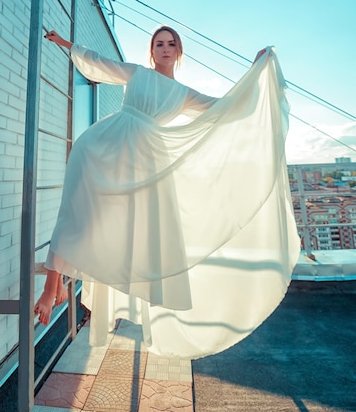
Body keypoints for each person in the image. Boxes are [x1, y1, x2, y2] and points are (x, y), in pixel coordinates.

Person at [34, 26, 300, 359]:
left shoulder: (183, 93)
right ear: (151, 50)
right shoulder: (139, 74)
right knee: (75, 213)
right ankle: (51, 287)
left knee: (110, 229)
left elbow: (227, 110)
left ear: (178, 51)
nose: (164, 48)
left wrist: (255, 74)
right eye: (158, 43)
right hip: (103, 147)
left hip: (142, 164)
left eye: (170, 43)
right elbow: (98, 62)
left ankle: (60, 285)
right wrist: (65, 43)